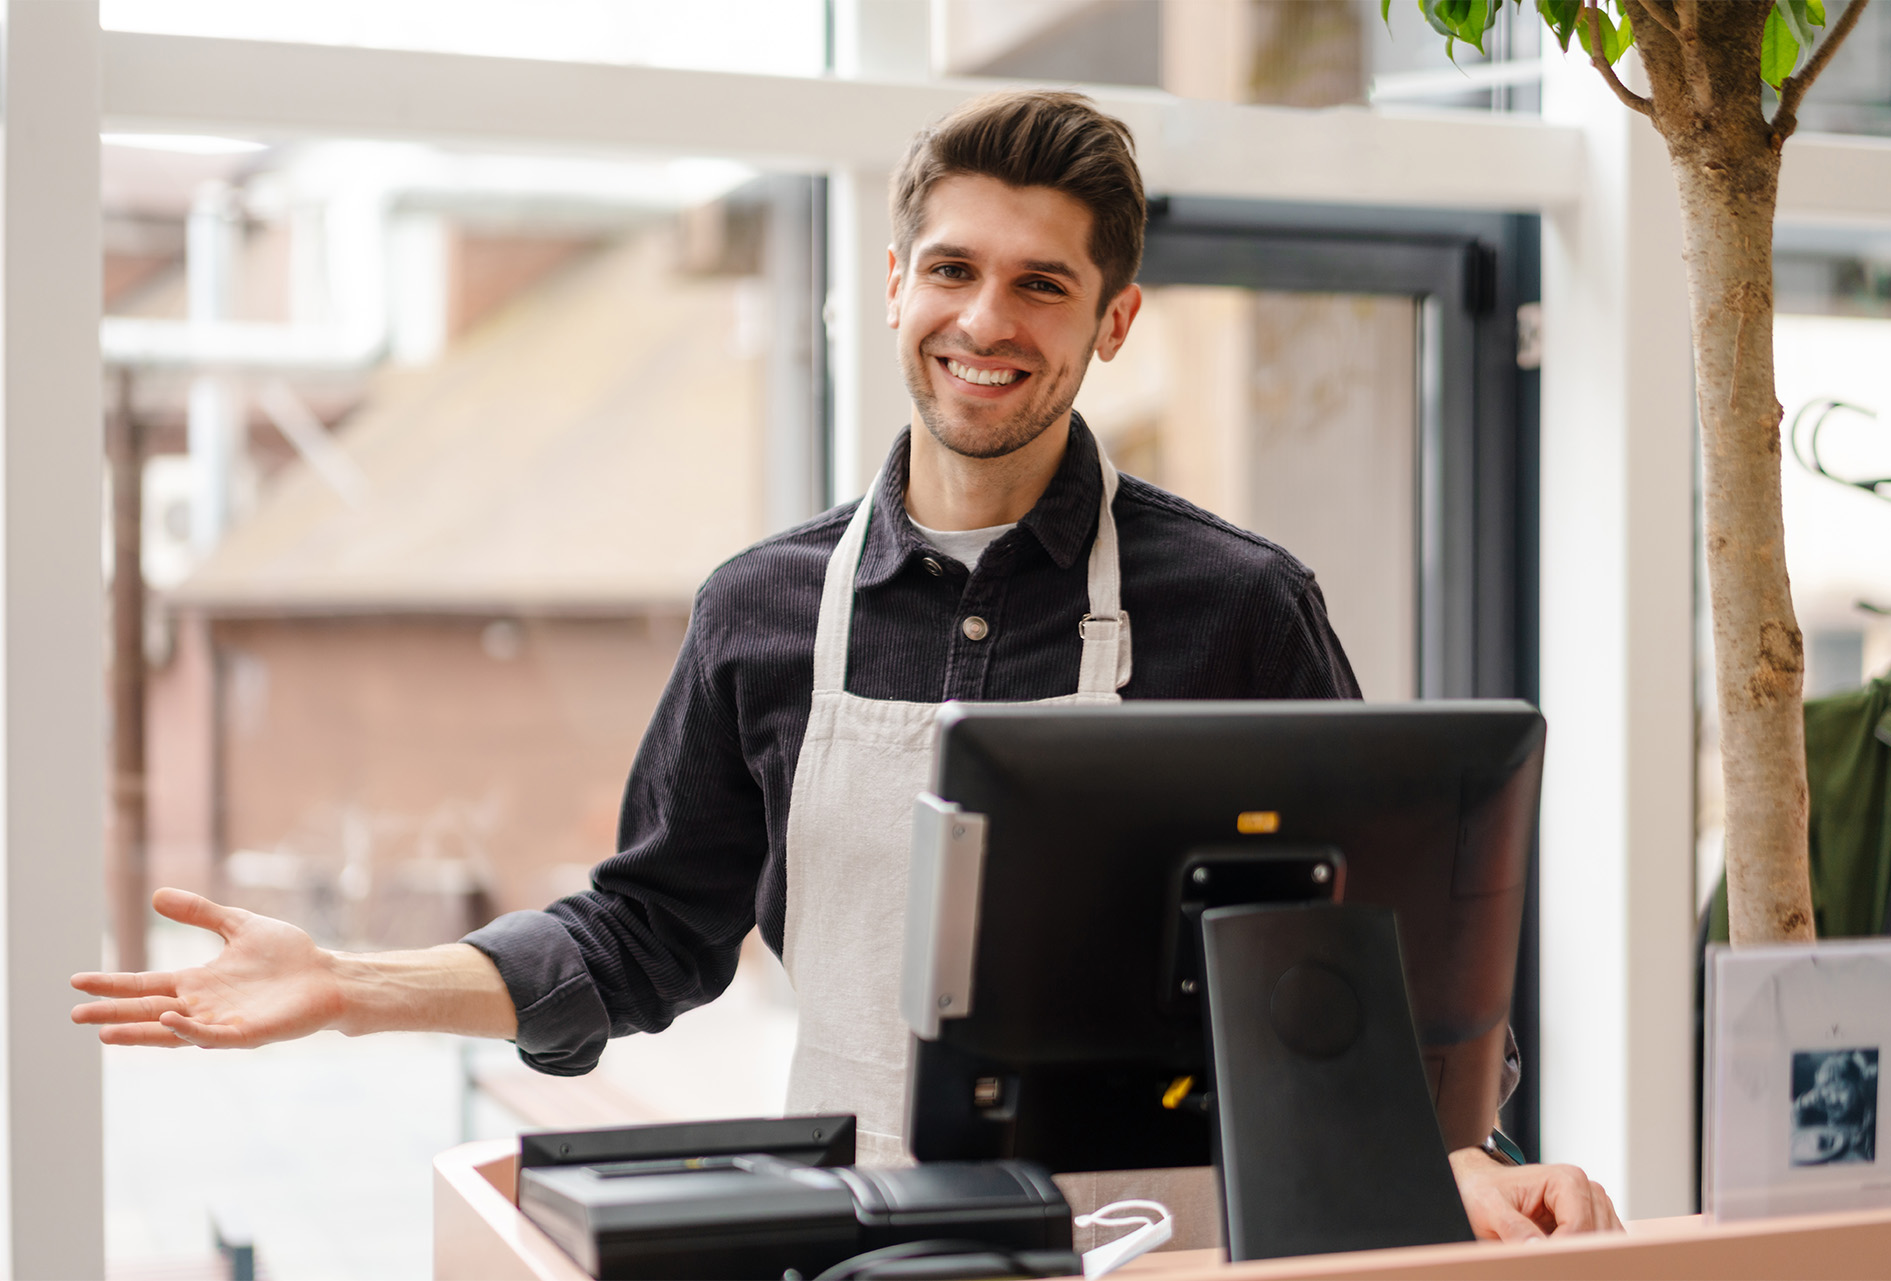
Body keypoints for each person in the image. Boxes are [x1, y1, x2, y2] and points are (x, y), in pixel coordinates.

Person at [73, 89, 1620, 1244]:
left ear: (1116, 318)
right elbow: (643, 933)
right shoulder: (759, 610)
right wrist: (351, 985)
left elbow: (1372, 963)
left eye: (1042, 284)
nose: (984, 320)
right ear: (892, 286)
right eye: (951, 270)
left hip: (1177, 1248)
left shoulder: (1237, 606)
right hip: (872, 1240)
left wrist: (1466, 1160)